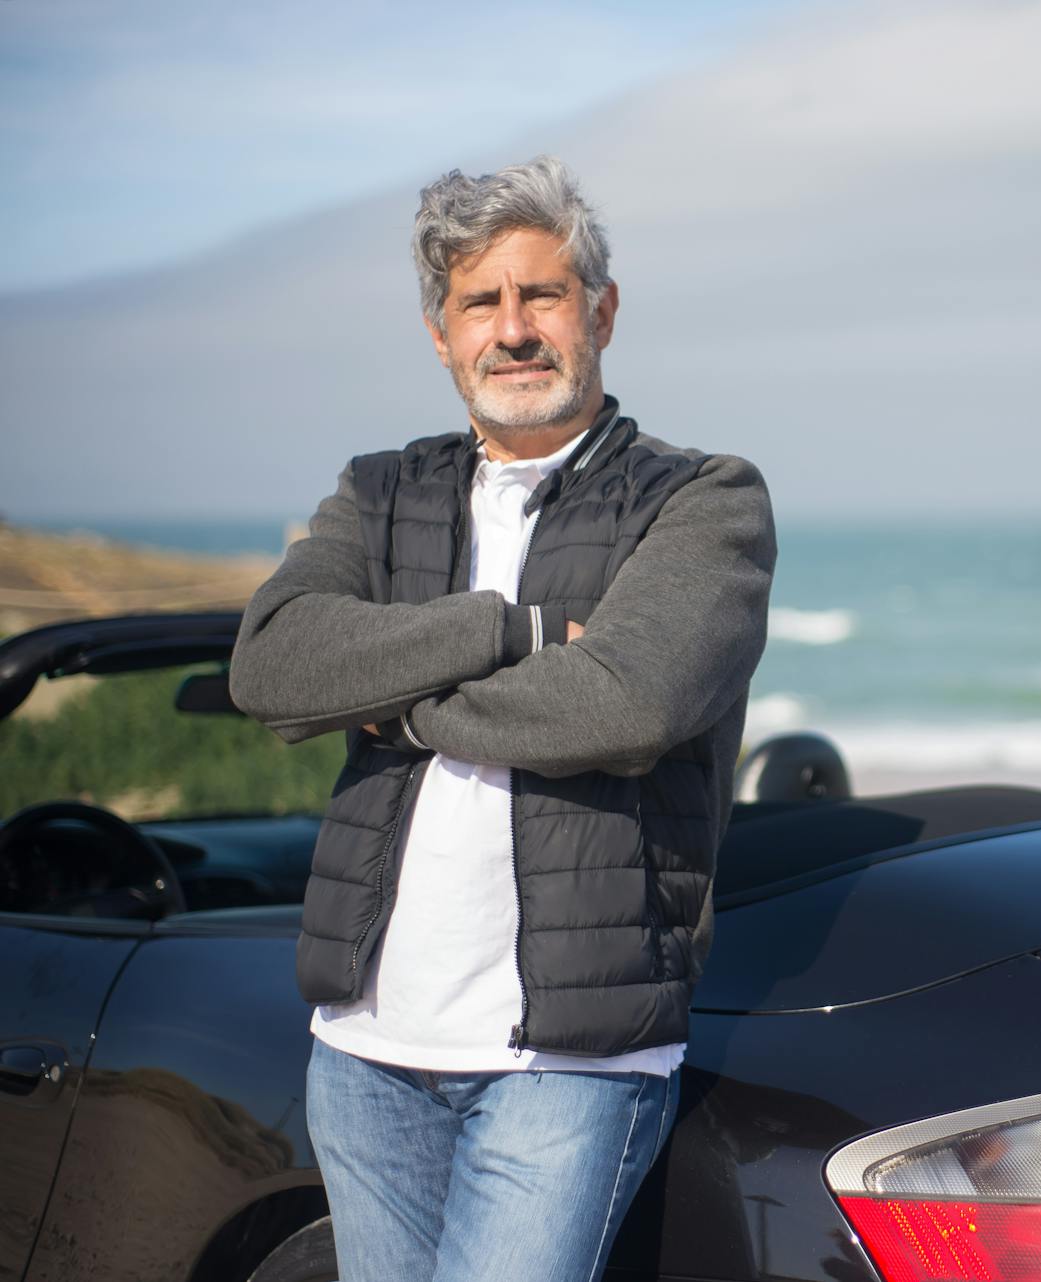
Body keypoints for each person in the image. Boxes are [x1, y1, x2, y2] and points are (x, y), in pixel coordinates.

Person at [228, 155, 776, 1281]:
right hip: (364, 1050)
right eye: (483, 300)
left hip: (571, 1064)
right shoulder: (377, 494)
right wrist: (507, 631)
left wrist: (397, 706)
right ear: (441, 332)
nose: (515, 328)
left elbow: (627, 702)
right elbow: (275, 663)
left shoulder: (701, 498)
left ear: (603, 312)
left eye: (545, 294)